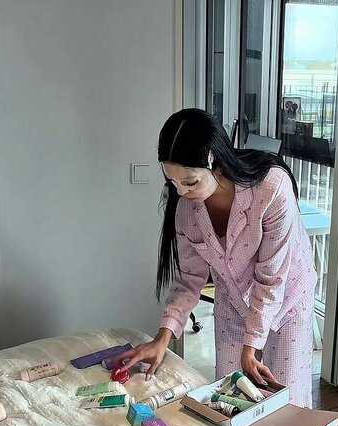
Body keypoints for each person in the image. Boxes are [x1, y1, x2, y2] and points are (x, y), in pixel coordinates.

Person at [116, 108, 317, 407]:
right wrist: (162, 338)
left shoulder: (272, 189)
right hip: (233, 304)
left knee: (286, 402)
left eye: (190, 182)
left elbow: (271, 278)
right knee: (229, 400)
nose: (181, 192)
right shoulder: (187, 211)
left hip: (286, 302)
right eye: (173, 182)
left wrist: (251, 346)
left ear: (217, 163)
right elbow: (189, 280)